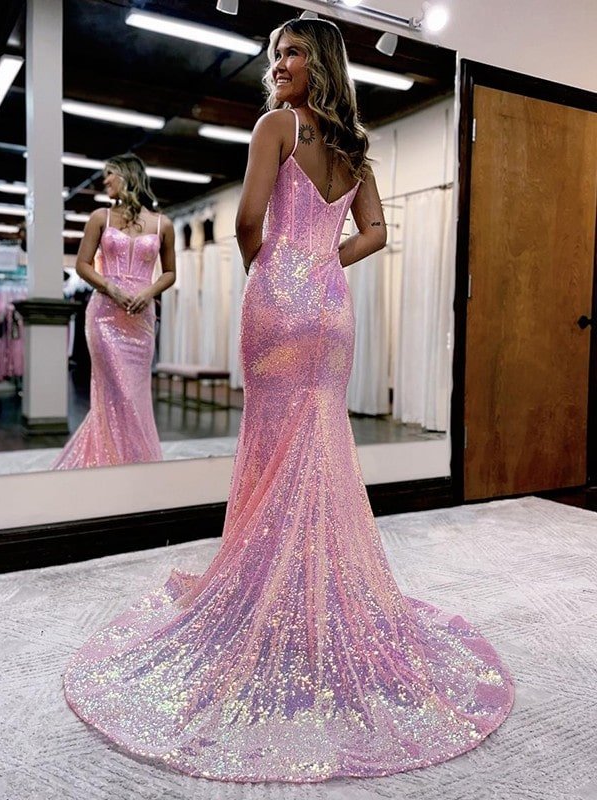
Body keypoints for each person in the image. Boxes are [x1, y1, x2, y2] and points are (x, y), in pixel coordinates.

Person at [63, 20, 514, 782]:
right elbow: (377, 231)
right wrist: (325, 262)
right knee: (322, 440)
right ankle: (316, 587)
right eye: (275, 54)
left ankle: (265, 587)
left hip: (278, 300)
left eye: (292, 52)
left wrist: (269, 270)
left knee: (272, 442)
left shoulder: (277, 126)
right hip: (332, 309)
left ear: (319, 64)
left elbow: (247, 220)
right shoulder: (355, 147)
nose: (278, 65)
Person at [52, 154, 175, 469]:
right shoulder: (100, 217)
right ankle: (111, 462)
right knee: (116, 391)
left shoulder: (163, 224)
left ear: (128, 175)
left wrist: (149, 292)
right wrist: (111, 287)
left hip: (141, 319)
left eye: (110, 174)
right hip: (105, 315)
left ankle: (136, 461)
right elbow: (82, 265)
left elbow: (170, 273)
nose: (104, 180)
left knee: (135, 392)